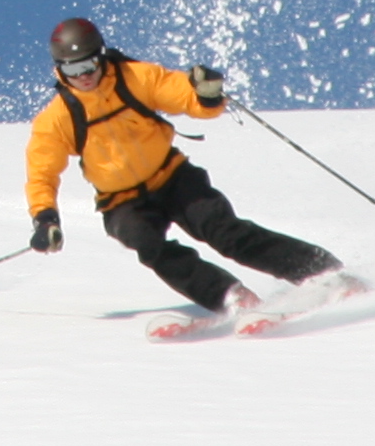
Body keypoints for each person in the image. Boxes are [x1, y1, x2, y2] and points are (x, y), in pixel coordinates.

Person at [23, 17, 351, 316]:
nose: (83, 76)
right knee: (148, 245)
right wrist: (45, 219)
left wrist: (205, 95)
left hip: (173, 178)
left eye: (89, 65)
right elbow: (42, 173)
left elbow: (183, 95)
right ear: (60, 71)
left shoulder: (136, 77)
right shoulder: (58, 118)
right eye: (72, 70)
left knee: (224, 232)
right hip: (122, 201)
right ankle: (230, 297)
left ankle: (325, 274)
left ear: (101, 56)